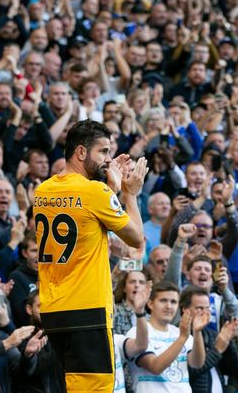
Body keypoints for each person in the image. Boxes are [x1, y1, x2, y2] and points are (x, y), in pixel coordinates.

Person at [33, 120, 148, 392]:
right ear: (81, 152)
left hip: (53, 309)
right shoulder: (95, 192)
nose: (108, 160)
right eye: (103, 152)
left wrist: (109, 187)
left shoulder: (43, 190)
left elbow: (82, 211)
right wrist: (129, 194)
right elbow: (134, 238)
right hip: (87, 310)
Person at [126, 281, 208, 393]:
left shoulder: (179, 332)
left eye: (173, 302)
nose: (169, 306)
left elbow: (197, 363)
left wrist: (197, 332)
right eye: (163, 300)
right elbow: (155, 367)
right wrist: (182, 338)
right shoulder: (137, 332)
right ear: (150, 304)